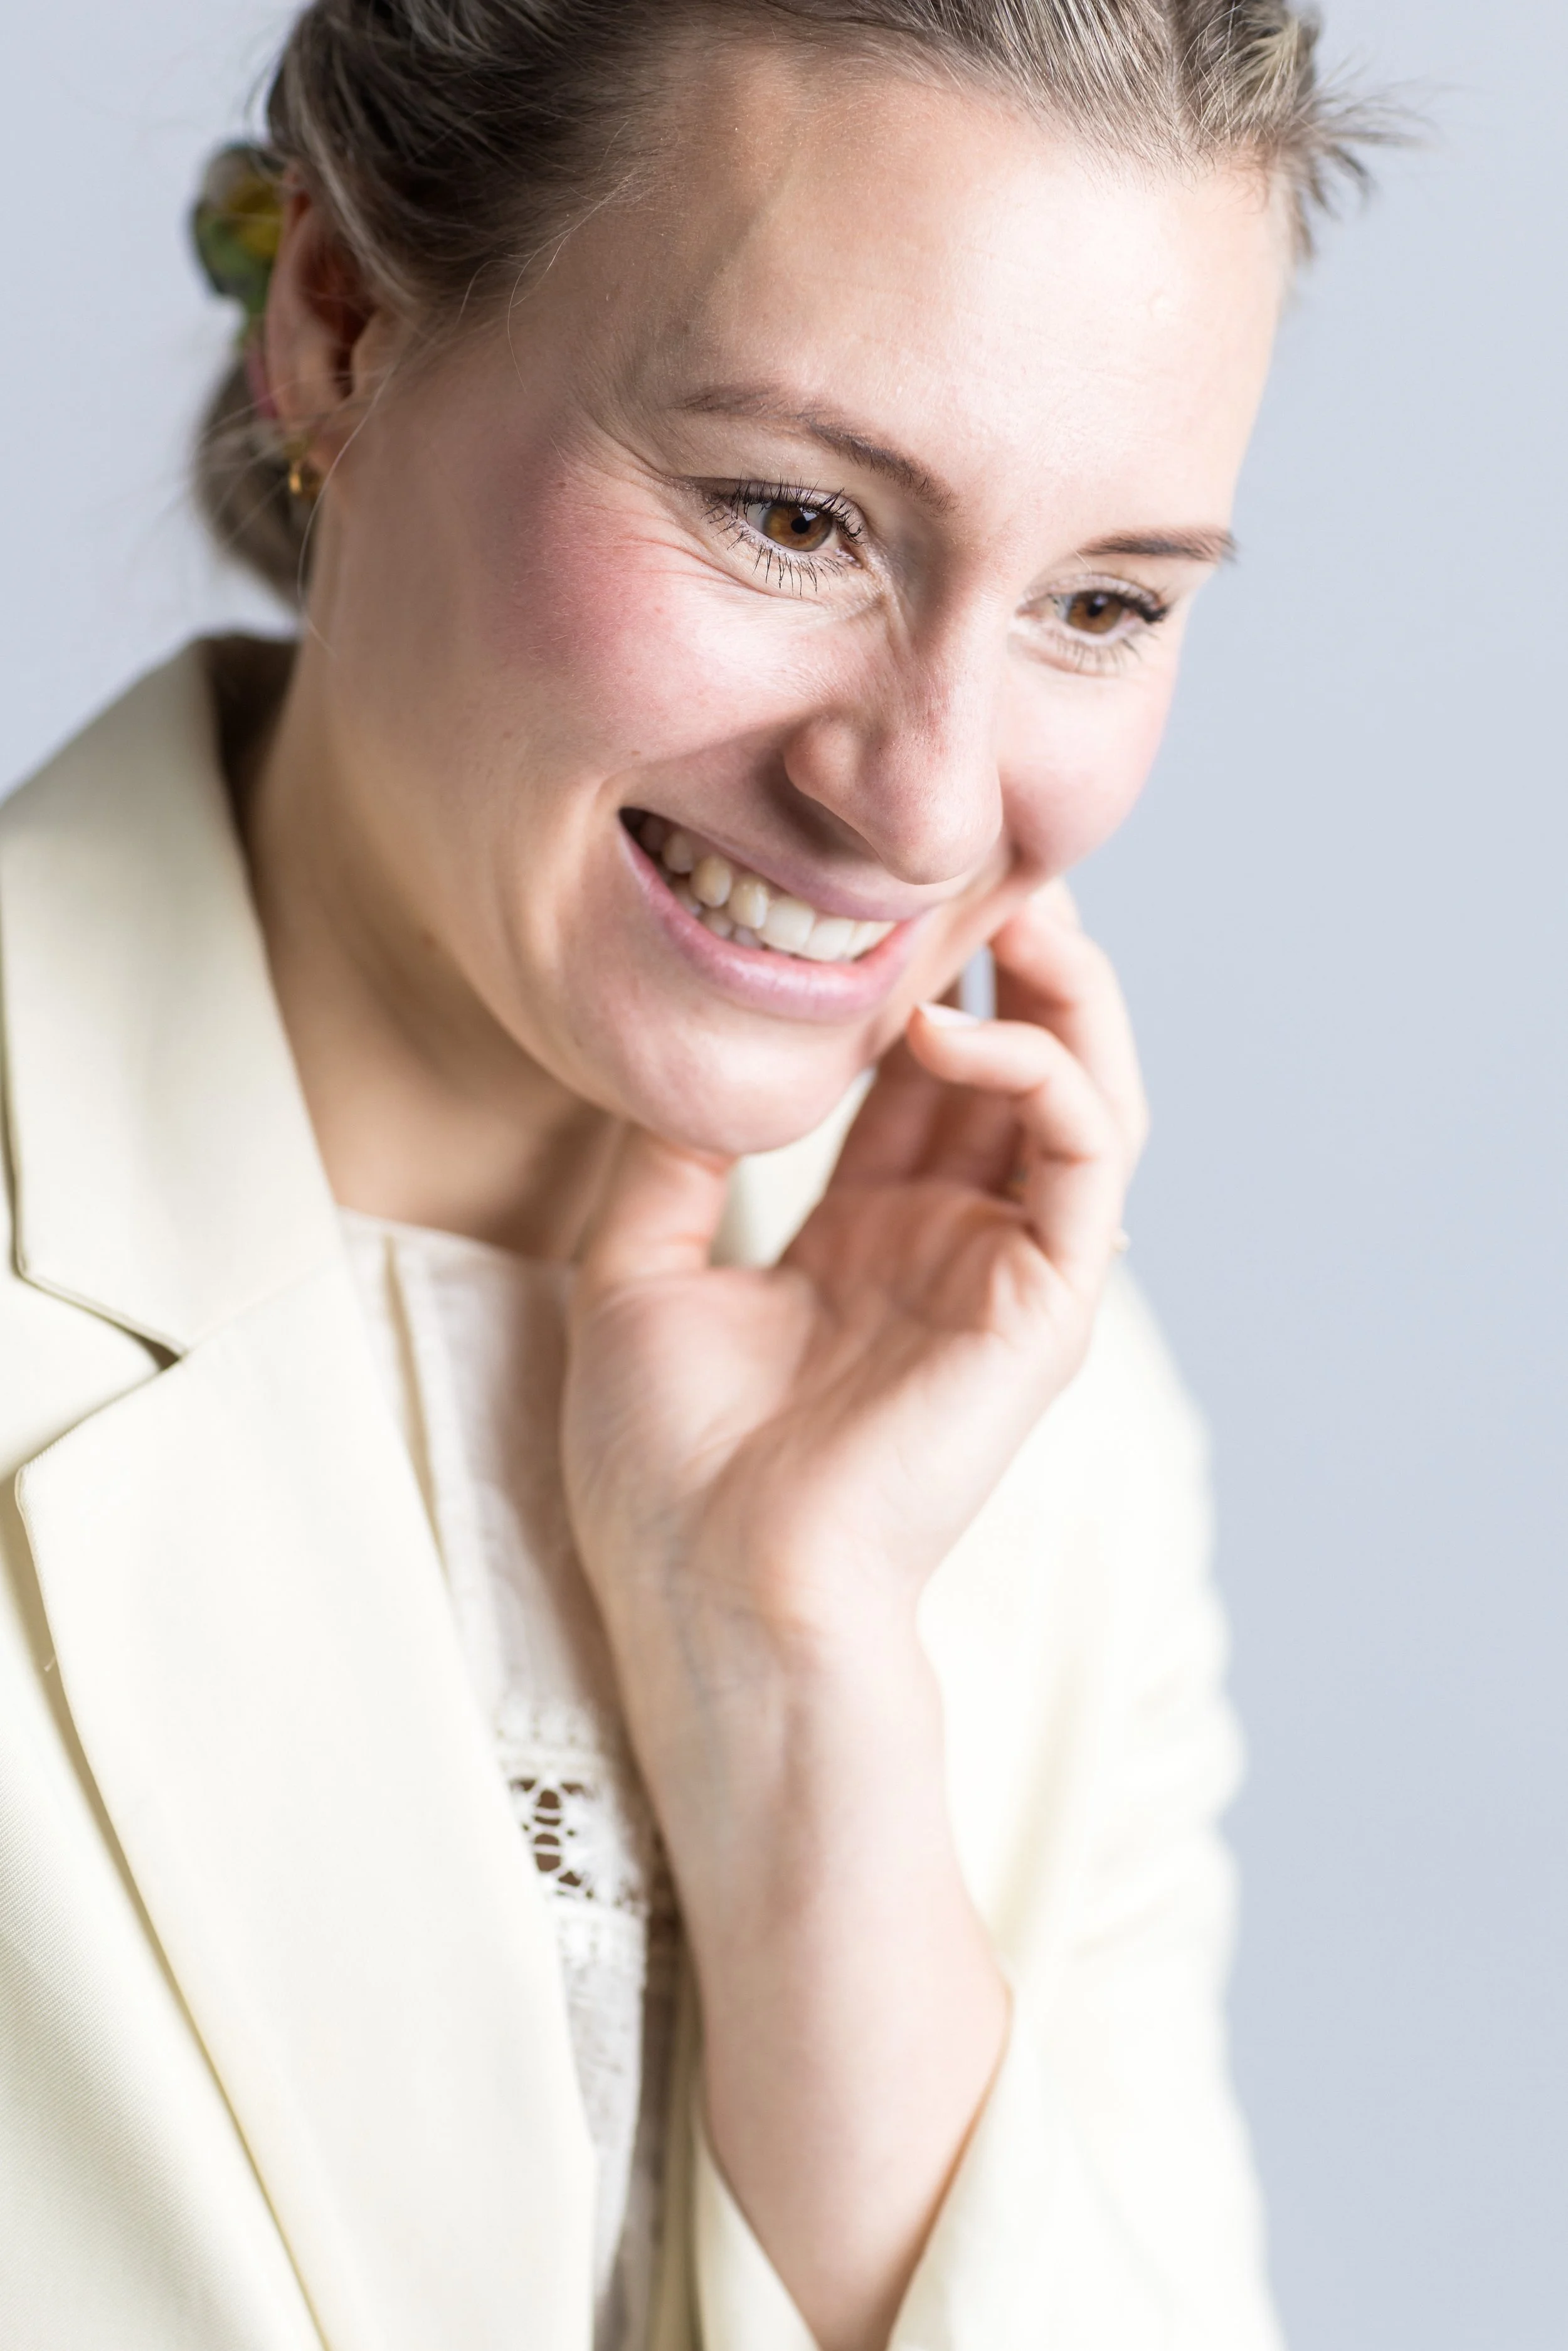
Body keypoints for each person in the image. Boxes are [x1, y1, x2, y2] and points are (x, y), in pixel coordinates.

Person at [0, 5, 1381, 2347]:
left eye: (1104, 602)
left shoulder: (1051, 1446)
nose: (928, 804)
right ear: (336, 322)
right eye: (789, 512)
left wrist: (791, 1677)